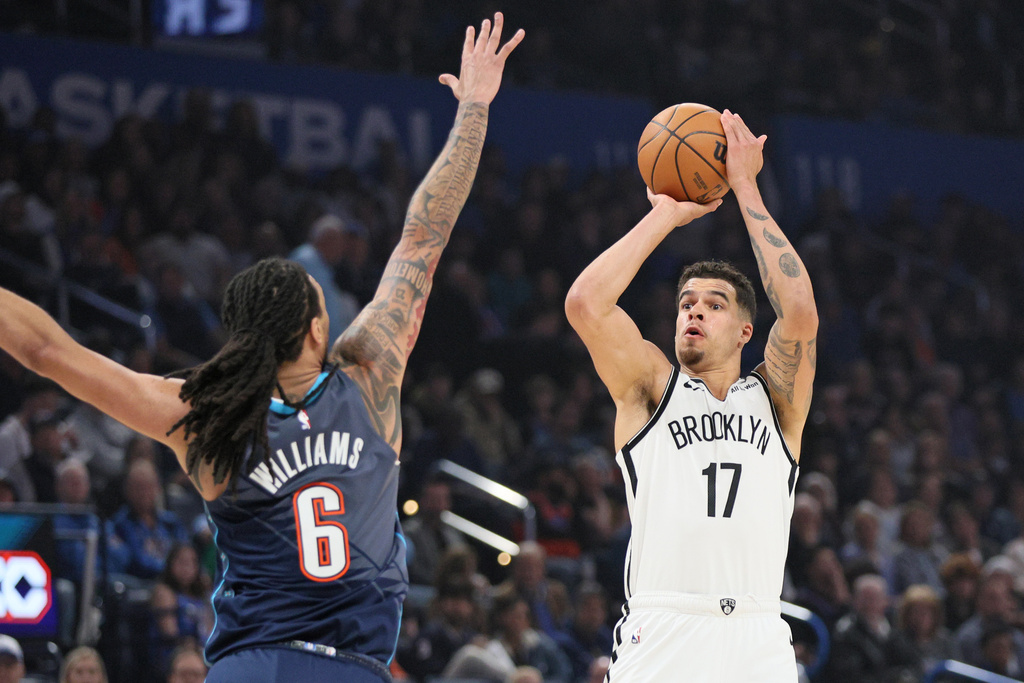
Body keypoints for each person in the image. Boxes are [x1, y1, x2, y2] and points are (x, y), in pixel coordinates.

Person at [0, 14, 523, 683]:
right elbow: (424, 236)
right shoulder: (368, 373)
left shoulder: (205, 414)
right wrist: (474, 109)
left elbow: (49, 352)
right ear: (314, 328)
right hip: (353, 667)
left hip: (250, 668)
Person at [565, 109, 818, 681]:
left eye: (714, 304)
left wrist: (745, 185)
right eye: (685, 303)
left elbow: (799, 312)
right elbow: (584, 305)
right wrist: (663, 218)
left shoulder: (775, 402)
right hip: (664, 627)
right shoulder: (652, 387)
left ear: (745, 331)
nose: (694, 311)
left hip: (757, 634)